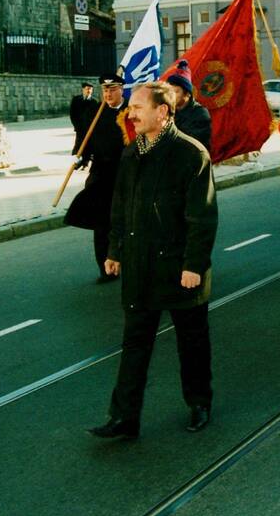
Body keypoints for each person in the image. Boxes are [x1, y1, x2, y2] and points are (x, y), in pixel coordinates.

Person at [89, 81, 218, 439]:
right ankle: (124, 417)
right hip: (141, 267)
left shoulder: (192, 154)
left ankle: (199, 403)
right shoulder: (132, 153)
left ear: (162, 112)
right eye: (130, 108)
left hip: (180, 269)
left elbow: (202, 217)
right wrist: (115, 251)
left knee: (191, 342)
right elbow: (120, 208)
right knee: (134, 344)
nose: (130, 114)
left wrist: (194, 265)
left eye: (137, 107)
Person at [64, 74, 128, 282]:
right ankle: (105, 268)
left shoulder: (132, 112)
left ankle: (126, 261)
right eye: (105, 90)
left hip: (126, 176)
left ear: (121, 90)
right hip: (101, 175)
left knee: (126, 222)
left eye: (113, 90)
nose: (108, 94)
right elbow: (84, 137)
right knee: (101, 224)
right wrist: (80, 156)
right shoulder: (95, 111)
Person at [167, 59, 212, 152]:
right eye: (170, 91)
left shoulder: (200, 114)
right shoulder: (168, 111)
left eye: (176, 92)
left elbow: (191, 145)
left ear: (187, 94)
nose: (171, 96)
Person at [69, 82, 98, 158]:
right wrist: (76, 125)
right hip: (79, 128)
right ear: (83, 90)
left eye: (90, 89)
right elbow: (72, 114)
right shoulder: (76, 100)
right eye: (87, 89)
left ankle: (85, 161)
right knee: (78, 144)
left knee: (88, 146)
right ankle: (75, 161)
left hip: (89, 128)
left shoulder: (94, 102)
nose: (89, 91)